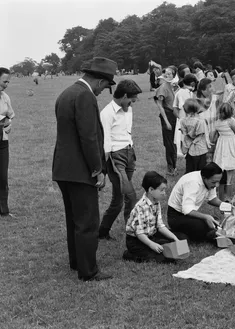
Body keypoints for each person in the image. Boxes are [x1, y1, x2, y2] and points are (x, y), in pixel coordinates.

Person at [53, 57, 117, 281]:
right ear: (100, 81)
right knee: (88, 222)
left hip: (63, 169)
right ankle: (88, 271)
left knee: (74, 219)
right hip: (81, 171)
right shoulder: (85, 96)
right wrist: (97, 169)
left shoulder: (67, 93)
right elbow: (89, 137)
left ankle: (76, 261)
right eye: (106, 87)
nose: (103, 92)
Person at [98, 79, 142, 240]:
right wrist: (104, 168)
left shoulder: (127, 109)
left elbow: (126, 132)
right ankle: (133, 234)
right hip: (116, 158)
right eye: (132, 98)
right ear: (123, 96)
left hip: (129, 154)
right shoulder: (106, 113)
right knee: (130, 196)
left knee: (118, 198)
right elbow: (105, 141)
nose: (134, 102)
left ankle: (102, 231)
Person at [123, 171, 185, 263]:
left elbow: (160, 226)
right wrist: (152, 244)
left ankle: (156, 248)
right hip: (136, 241)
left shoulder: (156, 202)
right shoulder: (140, 207)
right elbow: (139, 233)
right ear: (151, 190)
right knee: (162, 258)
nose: (164, 193)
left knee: (177, 241)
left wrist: (174, 238)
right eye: (162, 190)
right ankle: (129, 254)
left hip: (150, 236)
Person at [167, 162, 224, 241]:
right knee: (201, 227)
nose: (216, 185)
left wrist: (225, 205)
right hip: (176, 216)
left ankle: (205, 233)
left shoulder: (210, 181)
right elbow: (187, 210)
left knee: (214, 220)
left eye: (218, 181)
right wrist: (205, 217)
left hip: (188, 215)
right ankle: (173, 233)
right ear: (204, 177)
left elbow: (212, 198)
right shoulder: (193, 182)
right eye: (214, 182)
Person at [212, 103, 235, 200]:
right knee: (230, 173)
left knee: (221, 168)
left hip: (221, 145)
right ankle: (228, 196)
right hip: (231, 144)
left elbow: (214, 135)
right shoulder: (231, 121)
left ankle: (220, 195)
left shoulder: (217, 122)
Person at [155, 67, 177, 176]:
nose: (167, 75)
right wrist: (166, 121)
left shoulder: (172, 87)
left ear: (174, 75)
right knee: (169, 143)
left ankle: (174, 165)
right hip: (167, 115)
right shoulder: (163, 88)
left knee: (174, 141)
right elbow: (159, 105)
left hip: (174, 115)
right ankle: (170, 167)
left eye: (170, 73)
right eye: (166, 73)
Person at [0, 68, 15, 217]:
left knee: (3, 177)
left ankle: (4, 210)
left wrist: (9, 124)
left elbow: (10, 116)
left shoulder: (5, 97)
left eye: (8, 82)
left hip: (2, 141)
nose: (6, 84)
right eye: (5, 81)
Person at [180, 99, 208, 173]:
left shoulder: (183, 121)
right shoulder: (201, 121)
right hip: (200, 148)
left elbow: (184, 133)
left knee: (190, 169)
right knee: (200, 171)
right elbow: (201, 134)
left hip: (189, 148)